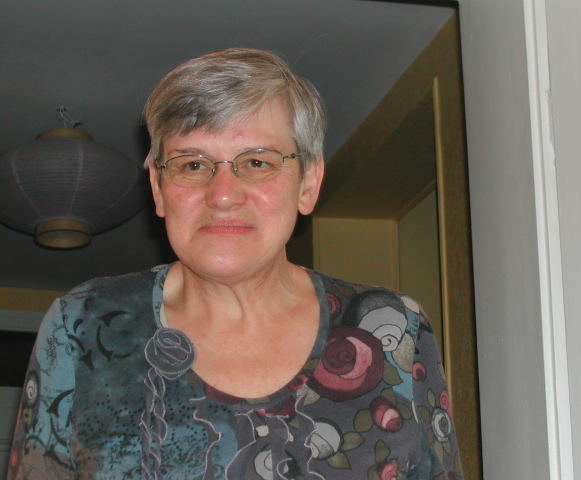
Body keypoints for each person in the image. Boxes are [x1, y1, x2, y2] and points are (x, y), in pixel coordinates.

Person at [8, 48, 463, 480]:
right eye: (192, 165)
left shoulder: (393, 329)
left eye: (257, 162)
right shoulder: (83, 324)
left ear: (308, 183)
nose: (223, 195)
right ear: (158, 188)